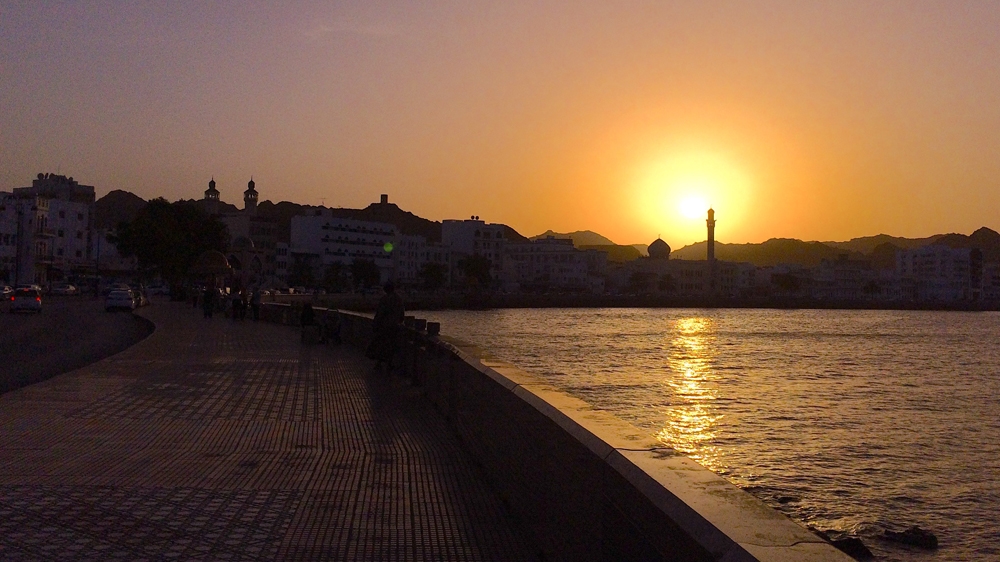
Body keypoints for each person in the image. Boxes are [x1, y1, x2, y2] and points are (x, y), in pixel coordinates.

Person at [368, 282, 405, 372]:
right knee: (392, 345)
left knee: (381, 345)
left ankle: (379, 363)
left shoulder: (385, 299)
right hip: (394, 326)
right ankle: (389, 364)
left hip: (384, 326)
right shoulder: (399, 299)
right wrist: (399, 321)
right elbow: (402, 313)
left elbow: (380, 313)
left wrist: (376, 324)